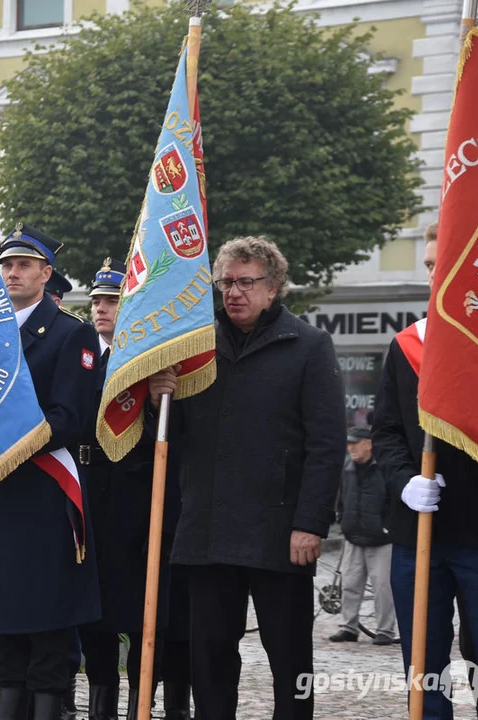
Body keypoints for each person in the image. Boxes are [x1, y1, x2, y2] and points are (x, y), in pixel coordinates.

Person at [148, 236, 344, 720]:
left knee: (290, 659)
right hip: (208, 531)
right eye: (226, 282)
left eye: (247, 282)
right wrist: (159, 401)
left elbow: (326, 444)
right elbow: (170, 441)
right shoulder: (193, 349)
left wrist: (311, 523)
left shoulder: (309, 346)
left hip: (280, 532)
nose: (234, 292)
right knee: (209, 660)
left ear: (273, 287)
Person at [0, 224, 101, 720]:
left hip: (47, 496)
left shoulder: (72, 332)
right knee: (5, 628)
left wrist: (1, 441)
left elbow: (71, 419)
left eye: (24, 264)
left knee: (48, 628)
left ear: (46, 273)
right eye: (6, 264)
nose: (12, 272)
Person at [371, 221, 478, 720]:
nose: (433, 275)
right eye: (428, 266)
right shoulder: (409, 346)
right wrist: (406, 482)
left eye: (441, 264)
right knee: (423, 668)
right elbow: (384, 431)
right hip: (417, 530)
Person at [78, 258, 180, 720]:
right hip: (89, 495)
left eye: (112, 301)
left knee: (144, 608)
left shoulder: (152, 356)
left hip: (140, 503)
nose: (102, 309)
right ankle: (102, 700)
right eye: (97, 300)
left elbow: (174, 435)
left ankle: (145, 694)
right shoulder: (77, 351)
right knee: (92, 608)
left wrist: (164, 397)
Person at [327, 426, 399, 646]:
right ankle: (349, 627)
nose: (350, 448)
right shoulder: (347, 468)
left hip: (381, 539)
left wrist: (387, 527)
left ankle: (385, 631)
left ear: (368, 443)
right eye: (348, 444)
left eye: (355, 443)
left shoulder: (384, 468)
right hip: (353, 535)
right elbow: (341, 496)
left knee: (383, 587)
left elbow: (394, 500)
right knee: (350, 583)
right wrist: (342, 519)